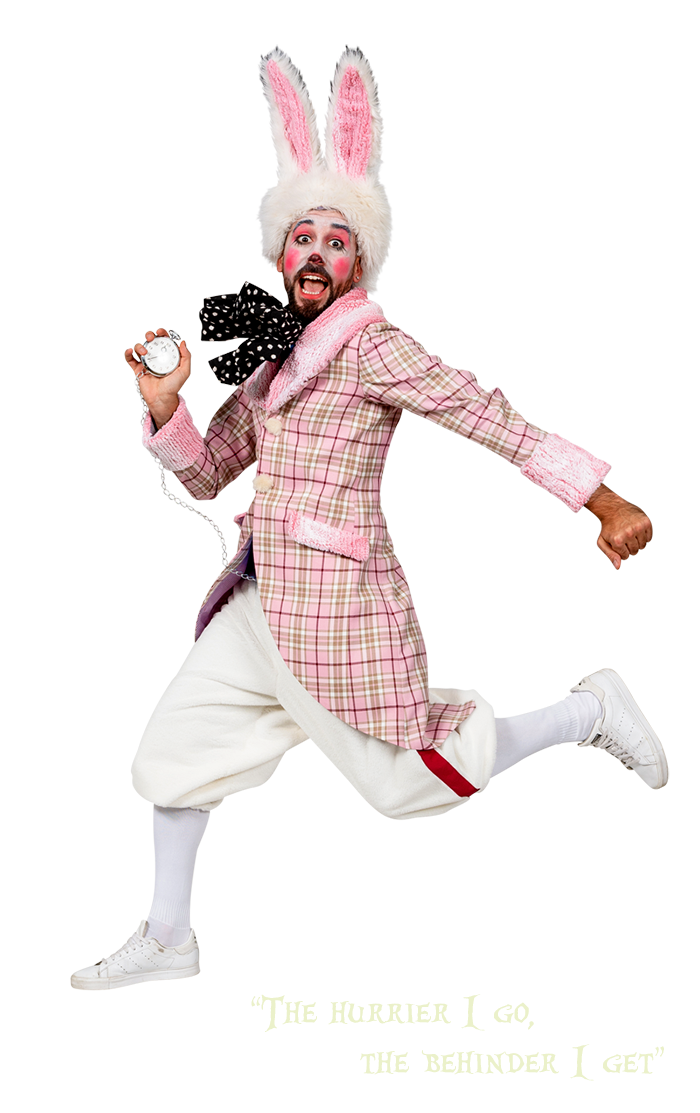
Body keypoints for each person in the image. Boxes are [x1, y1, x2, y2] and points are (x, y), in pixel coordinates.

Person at [71, 51, 666, 991]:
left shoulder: (373, 347)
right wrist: (164, 405)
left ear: (358, 264)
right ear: (282, 256)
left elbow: (481, 412)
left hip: (336, 615)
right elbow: (210, 472)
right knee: (170, 757)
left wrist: (601, 495)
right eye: (302, 236)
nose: (316, 252)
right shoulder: (270, 362)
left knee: (407, 781)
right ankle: (169, 936)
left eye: (337, 240)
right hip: (258, 602)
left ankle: (588, 709)